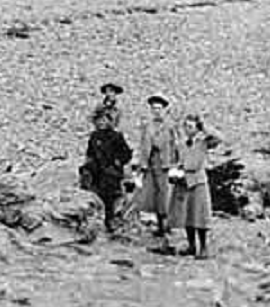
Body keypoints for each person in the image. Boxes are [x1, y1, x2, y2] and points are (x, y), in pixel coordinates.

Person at [169, 112, 220, 258]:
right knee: (187, 215)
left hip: (198, 182)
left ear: (197, 128)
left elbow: (219, 138)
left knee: (200, 216)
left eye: (190, 126)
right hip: (183, 182)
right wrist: (174, 172)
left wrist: (204, 127)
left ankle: (203, 247)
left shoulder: (204, 142)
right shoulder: (181, 144)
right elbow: (176, 161)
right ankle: (191, 246)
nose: (187, 129)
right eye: (185, 126)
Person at [134, 94, 179, 245]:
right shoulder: (148, 126)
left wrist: (175, 164)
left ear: (164, 110)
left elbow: (175, 145)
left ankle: (166, 224)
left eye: (159, 108)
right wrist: (142, 164)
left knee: (164, 193)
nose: (156, 111)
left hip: (164, 164)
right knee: (152, 194)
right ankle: (158, 224)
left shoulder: (170, 126)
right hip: (151, 163)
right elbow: (143, 146)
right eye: (154, 108)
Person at [83, 108, 133, 232]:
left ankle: (110, 221)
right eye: (99, 120)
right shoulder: (94, 136)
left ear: (109, 121)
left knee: (109, 198)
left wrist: (117, 162)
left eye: (104, 120)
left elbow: (126, 154)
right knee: (95, 195)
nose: (101, 122)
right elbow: (90, 153)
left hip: (111, 173)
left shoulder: (116, 136)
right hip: (97, 171)